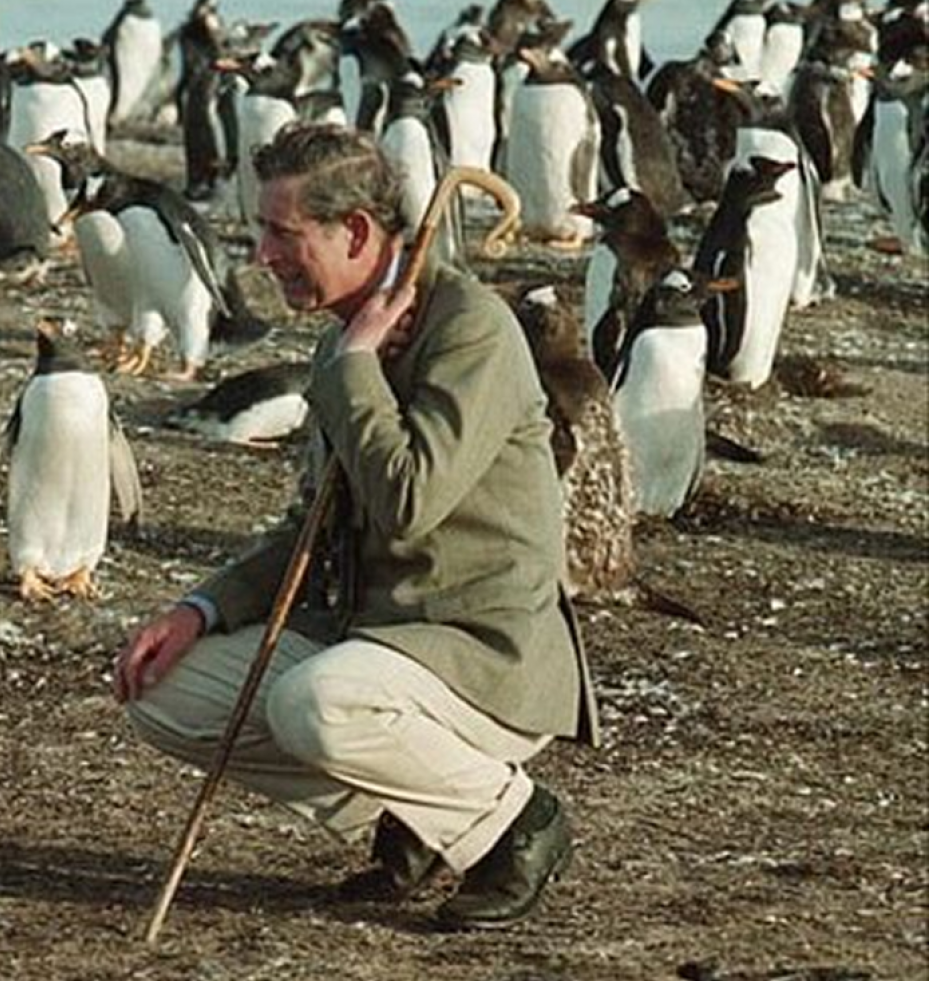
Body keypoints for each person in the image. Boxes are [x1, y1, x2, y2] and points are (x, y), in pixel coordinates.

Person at [114, 123, 599, 930]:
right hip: (379, 649)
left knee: (317, 703)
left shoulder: (466, 328)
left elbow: (408, 500)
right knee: (163, 693)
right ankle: (419, 813)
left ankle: (515, 821)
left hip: (478, 654)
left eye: (282, 233)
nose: (262, 256)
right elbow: (313, 529)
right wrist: (196, 611)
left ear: (359, 232)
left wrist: (357, 371)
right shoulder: (350, 336)